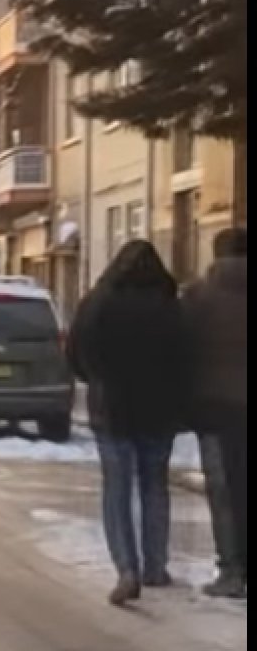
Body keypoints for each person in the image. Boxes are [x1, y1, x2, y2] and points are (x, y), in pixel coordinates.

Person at [67, 240, 188, 606]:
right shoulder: (170, 305)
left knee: (117, 490)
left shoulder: (97, 303)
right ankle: (156, 566)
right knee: (155, 486)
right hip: (159, 411)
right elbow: (186, 356)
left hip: (112, 410)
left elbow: (75, 353)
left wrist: (98, 381)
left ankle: (126, 569)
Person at [182, 227, 247, 598]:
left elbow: (180, 350)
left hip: (216, 409)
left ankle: (232, 571)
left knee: (224, 492)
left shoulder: (198, 297)